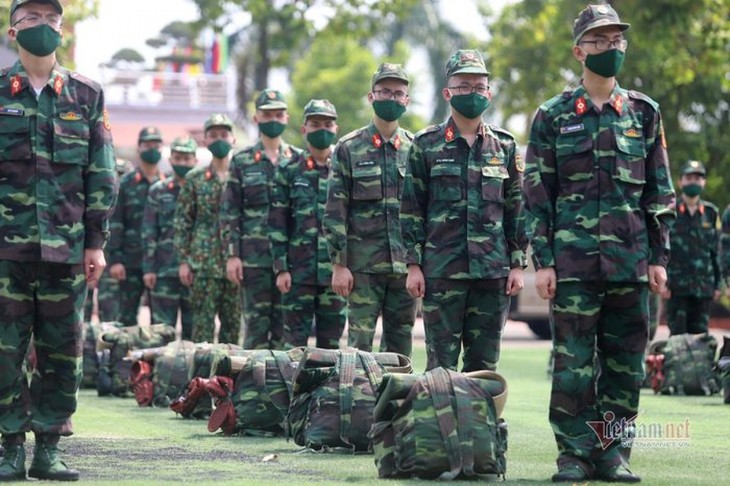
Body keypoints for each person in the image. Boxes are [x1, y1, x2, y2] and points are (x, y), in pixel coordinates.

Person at [523, 4, 676, 482]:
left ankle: (612, 453)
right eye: (599, 40)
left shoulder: (644, 113)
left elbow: (659, 192)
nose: (610, 48)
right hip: (572, 266)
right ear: (578, 51)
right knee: (571, 364)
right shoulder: (552, 116)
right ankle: (573, 453)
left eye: (616, 40)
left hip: (630, 263)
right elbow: (537, 194)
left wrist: (659, 256)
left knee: (625, 364)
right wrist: (542, 261)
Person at [0, 0, 118, 480]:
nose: (43, 27)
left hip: (67, 250)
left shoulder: (86, 95)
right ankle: (9, 447)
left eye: (52, 19)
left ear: (62, 31)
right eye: (32, 19)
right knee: (4, 350)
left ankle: (48, 447)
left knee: (63, 349)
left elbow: (102, 173)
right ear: (13, 31)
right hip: (5, 249)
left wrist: (96, 241)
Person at [400, 50, 527, 372]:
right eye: (463, 86)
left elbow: (516, 210)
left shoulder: (505, 146)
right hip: (441, 272)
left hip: (492, 272)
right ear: (448, 92)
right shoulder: (425, 145)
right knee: (440, 365)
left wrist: (517, 265)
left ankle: (480, 424)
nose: (472, 93)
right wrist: (413, 265)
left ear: (488, 92)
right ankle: (439, 424)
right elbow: (411, 208)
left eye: (479, 86)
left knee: (484, 364)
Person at [322, 63, 416, 357]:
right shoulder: (349, 148)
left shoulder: (416, 148)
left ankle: (394, 404)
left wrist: (419, 263)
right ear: (371, 96)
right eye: (384, 91)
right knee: (358, 347)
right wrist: (339, 264)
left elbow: (422, 210)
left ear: (407, 101)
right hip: (362, 268)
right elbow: (336, 209)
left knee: (400, 346)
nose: (391, 98)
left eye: (398, 93)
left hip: (404, 268)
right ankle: (356, 403)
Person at [222, 89, 300, 349]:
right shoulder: (242, 161)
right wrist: (233, 255)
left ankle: (279, 387)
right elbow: (230, 211)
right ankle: (251, 387)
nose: (273, 119)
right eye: (267, 114)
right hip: (253, 259)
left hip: (291, 259)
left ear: (287, 118)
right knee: (255, 328)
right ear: (256, 118)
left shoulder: (299, 160)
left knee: (285, 329)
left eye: (279, 114)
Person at [269, 99, 347, 349]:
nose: (321, 129)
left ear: (336, 129)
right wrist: (281, 268)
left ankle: (327, 390)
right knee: (292, 347)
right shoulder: (288, 169)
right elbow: (277, 222)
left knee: (331, 350)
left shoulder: (347, 167)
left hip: (335, 275)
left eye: (327, 124)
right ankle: (291, 390)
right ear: (304, 129)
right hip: (297, 274)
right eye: (315, 124)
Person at [175, 115, 242, 344]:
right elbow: (184, 222)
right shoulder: (195, 179)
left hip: (235, 263)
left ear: (233, 139)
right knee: (202, 328)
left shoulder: (241, 175)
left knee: (232, 328)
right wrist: (184, 260)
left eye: (224, 134)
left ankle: (227, 378)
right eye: (213, 135)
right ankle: (201, 378)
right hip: (202, 264)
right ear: (205, 140)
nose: (219, 139)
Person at [107, 125, 166, 326]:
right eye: (147, 144)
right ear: (138, 148)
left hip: (160, 264)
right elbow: (115, 222)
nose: (152, 149)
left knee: (160, 322)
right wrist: (115, 260)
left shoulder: (167, 184)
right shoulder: (126, 183)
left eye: (156, 145)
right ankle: (124, 358)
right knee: (126, 319)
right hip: (130, 262)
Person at [142, 137, 198, 339]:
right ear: (171, 159)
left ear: (195, 161)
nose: (182, 162)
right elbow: (149, 231)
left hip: (194, 273)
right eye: (178, 158)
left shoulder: (201, 191)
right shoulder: (158, 190)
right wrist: (149, 269)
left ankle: (192, 372)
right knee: (161, 333)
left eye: (186, 158)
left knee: (194, 335)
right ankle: (160, 372)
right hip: (163, 273)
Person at [661, 160, 721, 335]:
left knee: (701, 340)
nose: (693, 182)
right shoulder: (670, 212)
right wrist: (663, 283)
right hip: (676, 288)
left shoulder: (711, 213)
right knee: (677, 342)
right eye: (689, 177)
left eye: (698, 178)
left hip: (703, 288)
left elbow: (716, 251)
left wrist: (718, 284)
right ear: (680, 182)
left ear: (704, 182)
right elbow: (662, 248)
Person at [85, 157, 132, 322]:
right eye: (115, 175)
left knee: (110, 314)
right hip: (87, 257)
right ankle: (85, 347)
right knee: (82, 311)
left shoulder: (127, 201)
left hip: (112, 263)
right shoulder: (92, 198)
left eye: (121, 175)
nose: (117, 181)